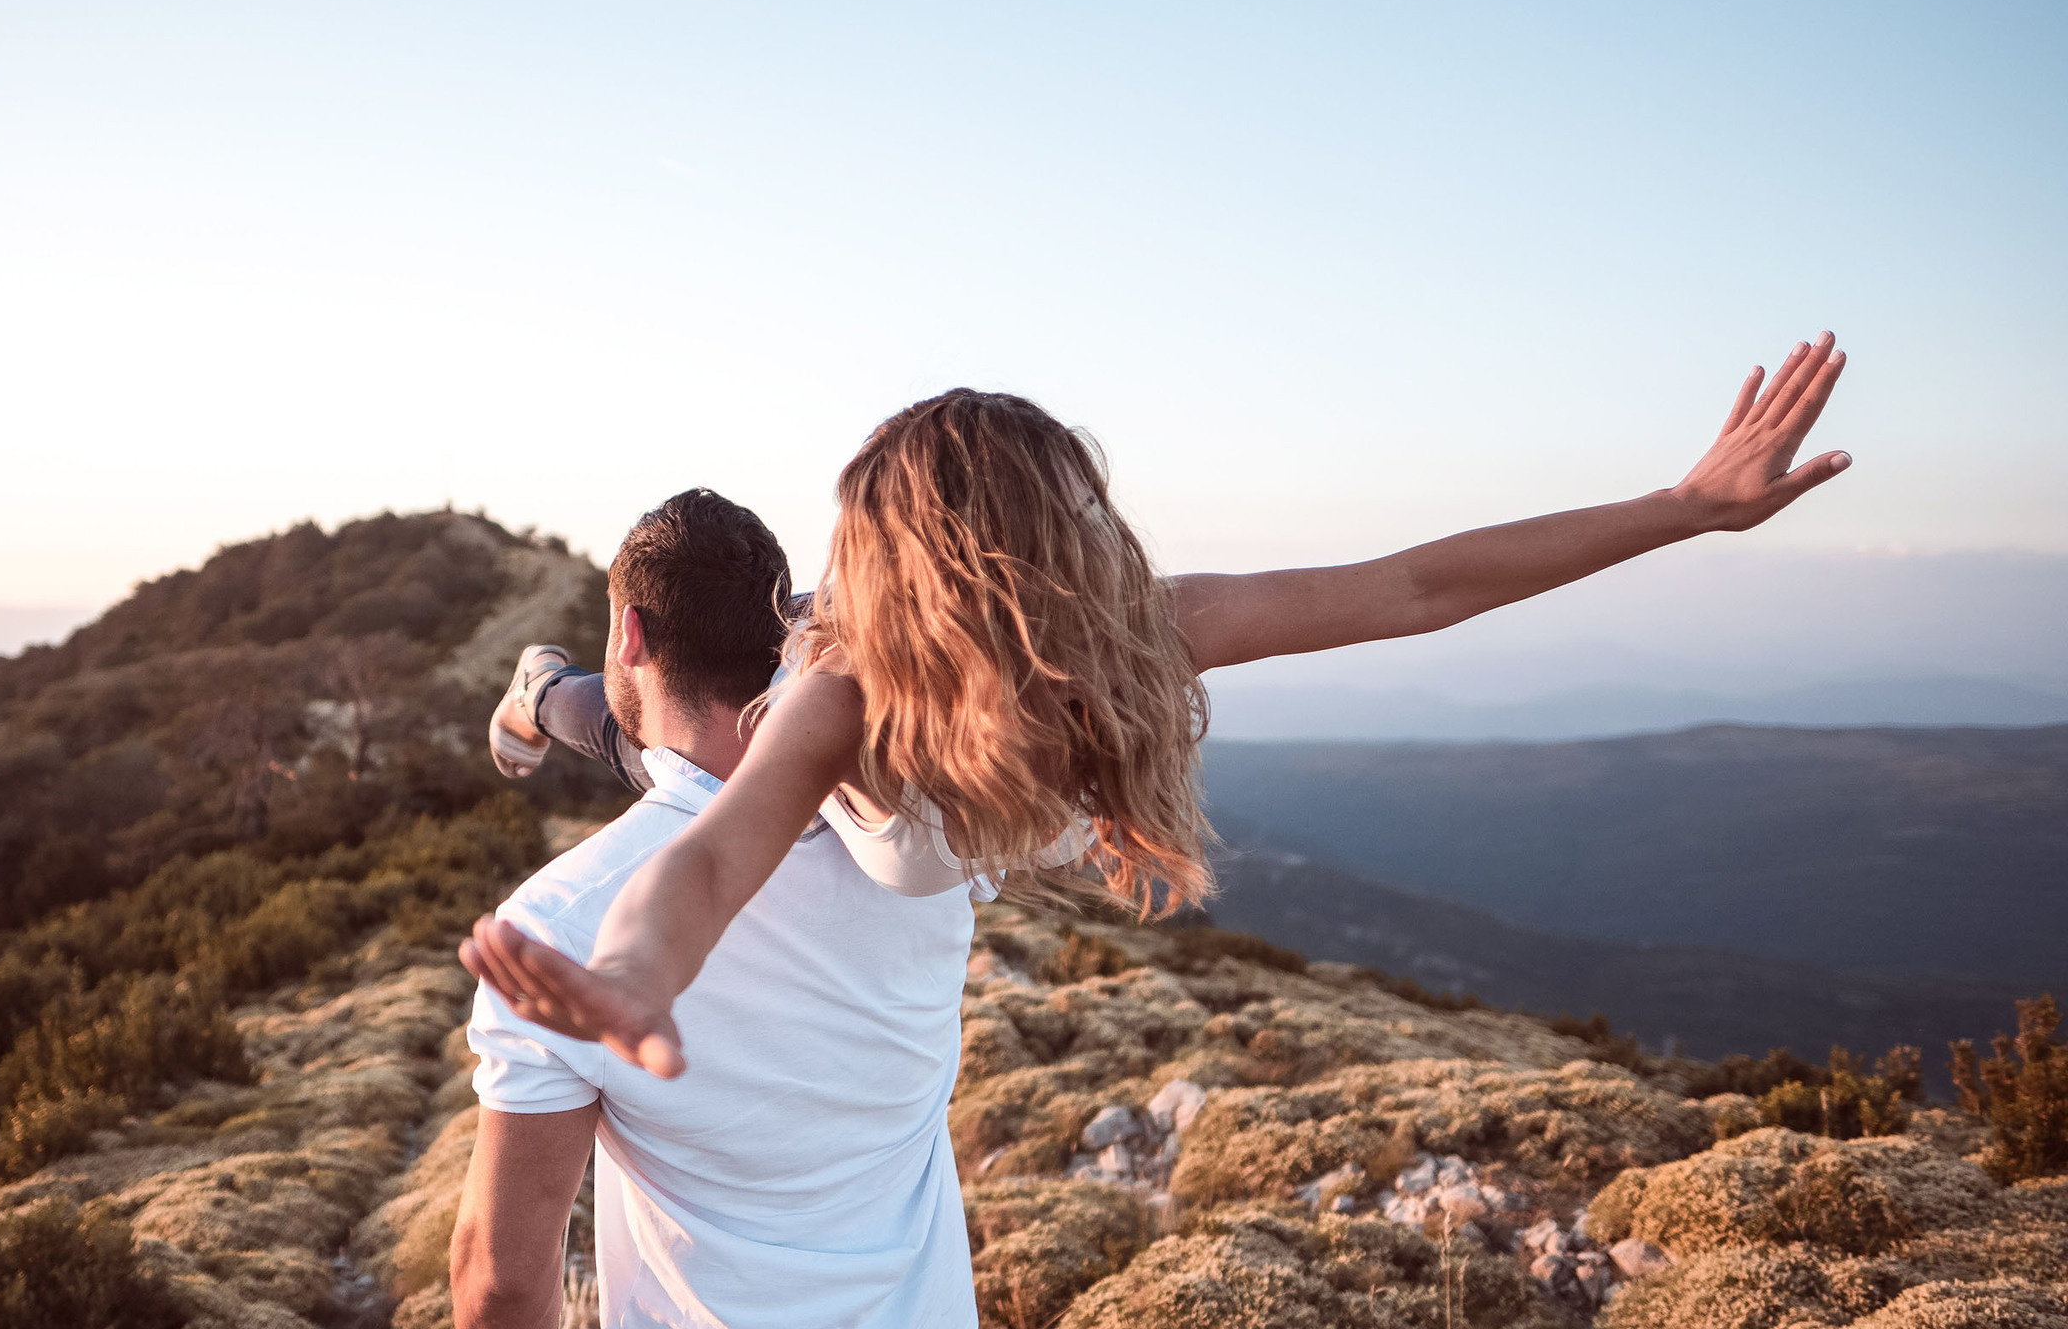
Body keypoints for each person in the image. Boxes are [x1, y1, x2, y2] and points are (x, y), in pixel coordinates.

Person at [467, 332, 1852, 1078]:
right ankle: (541, 690)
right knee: (646, 740)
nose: (1087, 543)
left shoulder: (1135, 630)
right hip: (764, 702)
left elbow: (1418, 585)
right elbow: (711, 862)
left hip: (908, 713)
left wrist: (1683, 508)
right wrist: (633, 977)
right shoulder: (835, 701)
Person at [448, 487, 971, 1329]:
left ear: (630, 634)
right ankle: (544, 692)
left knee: (641, 743)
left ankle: (540, 688)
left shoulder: (557, 925)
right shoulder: (927, 827)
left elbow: (502, 1272)